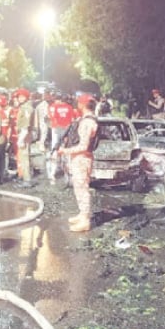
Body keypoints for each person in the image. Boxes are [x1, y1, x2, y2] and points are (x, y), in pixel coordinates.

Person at [58, 93, 98, 232]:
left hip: (82, 158)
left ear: (82, 104)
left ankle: (85, 220)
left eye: (79, 102)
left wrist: (65, 151)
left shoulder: (88, 122)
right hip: (80, 158)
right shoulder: (86, 119)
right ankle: (82, 214)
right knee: (78, 187)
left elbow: (83, 146)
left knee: (82, 188)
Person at [47, 94, 74, 183]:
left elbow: (51, 118)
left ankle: (52, 173)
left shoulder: (54, 107)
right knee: (66, 151)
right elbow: (72, 120)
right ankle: (68, 174)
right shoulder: (70, 107)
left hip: (56, 129)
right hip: (66, 130)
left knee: (55, 150)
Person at [14, 88, 36, 188]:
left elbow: (25, 126)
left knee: (25, 157)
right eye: (18, 96)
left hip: (25, 135)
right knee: (25, 157)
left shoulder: (26, 108)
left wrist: (20, 139)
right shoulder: (25, 107)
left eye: (21, 96)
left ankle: (27, 180)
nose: (19, 98)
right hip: (25, 134)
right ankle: (26, 178)